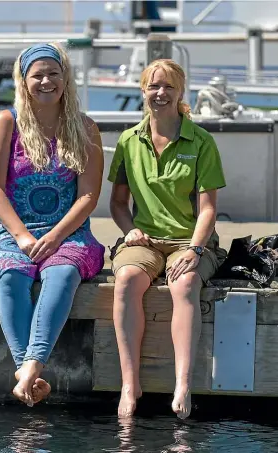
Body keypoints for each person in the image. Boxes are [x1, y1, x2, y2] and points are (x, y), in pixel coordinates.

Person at [0, 43, 105, 406]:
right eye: (37, 74)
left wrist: (57, 237)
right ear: (23, 81)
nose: (46, 81)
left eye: (53, 73)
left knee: (62, 273)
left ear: (65, 77)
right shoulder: (5, 123)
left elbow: (88, 196)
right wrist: (22, 236)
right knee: (13, 273)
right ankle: (28, 370)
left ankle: (28, 371)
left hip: (66, 229)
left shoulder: (86, 127)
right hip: (9, 227)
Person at [108, 59, 227, 419]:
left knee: (185, 282)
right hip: (145, 241)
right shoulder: (129, 141)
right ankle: (130, 385)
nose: (161, 93)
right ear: (142, 91)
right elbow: (117, 203)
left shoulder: (201, 141)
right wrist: (129, 229)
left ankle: (183, 384)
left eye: (169, 87)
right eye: (153, 86)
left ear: (180, 92)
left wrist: (194, 248)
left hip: (189, 240)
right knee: (126, 279)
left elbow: (208, 209)